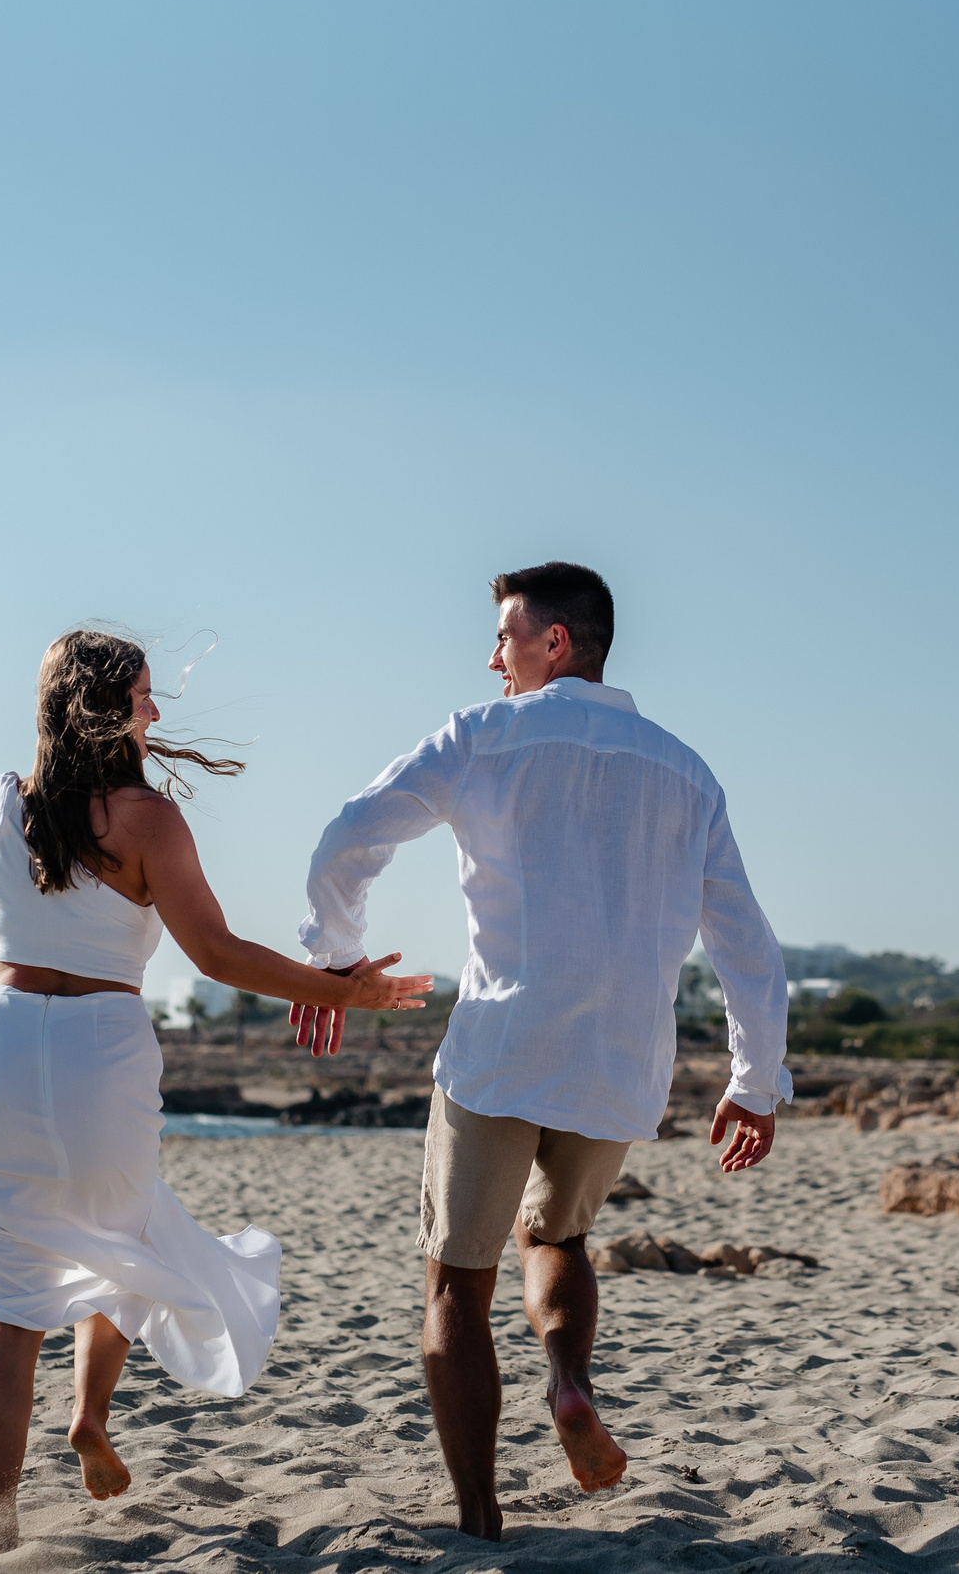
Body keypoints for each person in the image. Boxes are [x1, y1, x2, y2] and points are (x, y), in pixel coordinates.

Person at [290, 562, 789, 1540]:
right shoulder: (684, 769)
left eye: (506, 636)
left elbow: (348, 835)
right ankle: (566, 1380)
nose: (492, 657)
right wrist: (753, 1080)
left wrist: (337, 952)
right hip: (619, 1063)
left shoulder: (484, 733)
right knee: (556, 1240)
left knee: (455, 1281)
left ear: (553, 641)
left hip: (502, 1046)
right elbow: (746, 942)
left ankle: (480, 1515)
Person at [0, 628, 430, 1555]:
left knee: (7, 1317)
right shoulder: (145, 819)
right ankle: (89, 1415)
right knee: (121, 1241)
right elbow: (219, 954)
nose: (157, 711)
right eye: (145, 694)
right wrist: (347, 989)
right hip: (98, 1058)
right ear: (104, 706)